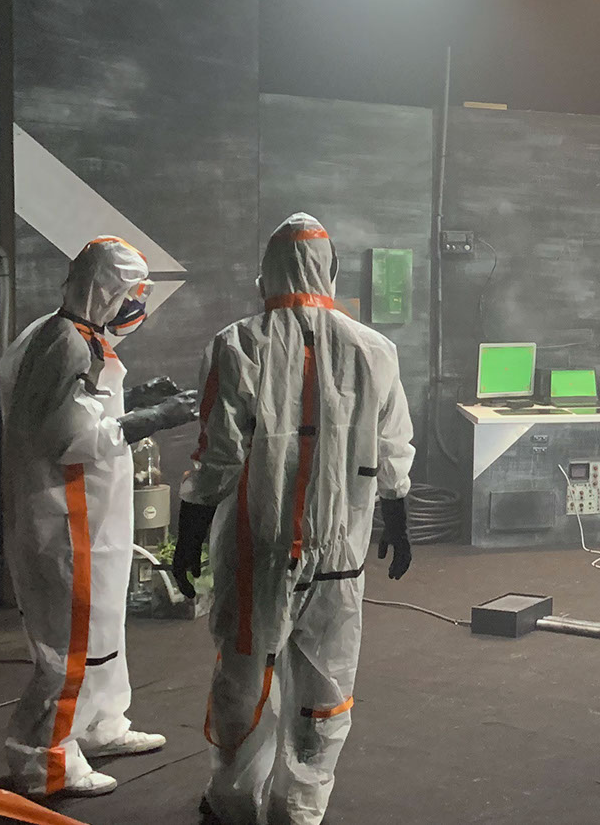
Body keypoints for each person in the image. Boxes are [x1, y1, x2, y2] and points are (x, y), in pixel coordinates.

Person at [171, 213, 416, 825]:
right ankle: (300, 806)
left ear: (268, 272)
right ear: (331, 270)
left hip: (257, 549)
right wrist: (398, 521)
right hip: (341, 554)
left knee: (244, 680)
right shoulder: (375, 349)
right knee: (326, 684)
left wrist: (188, 538)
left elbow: (216, 457)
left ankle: (232, 803)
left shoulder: (236, 344)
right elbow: (394, 448)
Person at [0, 237, 200, 797]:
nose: (136, 305)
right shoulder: (65, 342)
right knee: (69, 644)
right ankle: (44, 759)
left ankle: (99, 724)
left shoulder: (71, 335)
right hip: (67, 517)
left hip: (94, 513)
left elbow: (75, 409)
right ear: (105, 289)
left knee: (103, 627)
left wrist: (133, 399)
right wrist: (154, 418)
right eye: (131, 292)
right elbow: (68, 439)